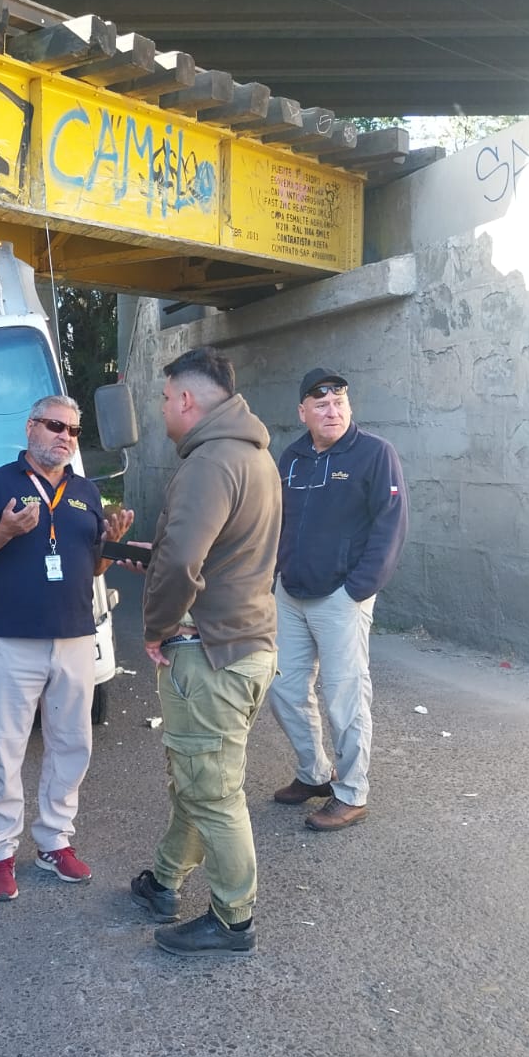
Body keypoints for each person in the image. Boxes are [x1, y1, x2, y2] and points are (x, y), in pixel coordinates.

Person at [128, 347, 281, 958]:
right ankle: (165, 881)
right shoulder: (254, 456)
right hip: (246, 644)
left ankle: (233, 920)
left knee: (213, 792)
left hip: (209, 653)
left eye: (166, 398)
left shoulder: (208, 462)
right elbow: (220, 552)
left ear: (188, 400)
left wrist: (156, 628)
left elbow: (184, 561)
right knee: (199, 778)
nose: (163, 409)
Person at [0, 395, 133, 901]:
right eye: (56, 426)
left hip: (75, 636)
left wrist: (112, 546)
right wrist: (5, 530)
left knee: (72, 743)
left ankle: (55, 841)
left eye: (73, 430)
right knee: (7, 748)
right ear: (30, 427)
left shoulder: (85, 492)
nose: (66, 437)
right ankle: (0, 853)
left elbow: (92, 564)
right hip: (14, 638)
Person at [268, 368, 408, 832]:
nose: (332, 410)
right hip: (290, 593)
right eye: (321, 404)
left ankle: (351, 793)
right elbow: (275, 522)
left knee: (344, 699)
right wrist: (273, 576)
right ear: (302, 412)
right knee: (285, 690)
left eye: (340, 402)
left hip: (341, 598)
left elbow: (390, 526)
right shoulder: (291, 458)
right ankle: (314, 775)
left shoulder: (374, 454)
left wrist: (358, 589)